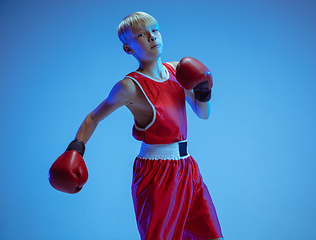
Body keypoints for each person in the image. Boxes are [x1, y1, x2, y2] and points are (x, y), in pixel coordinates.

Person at [49, 11, 223, 240]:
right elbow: (94, 117)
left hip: (188, 168)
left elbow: (203, 115)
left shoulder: (178, 71)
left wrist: (203, 92)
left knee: (211, 235)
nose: (152, 37)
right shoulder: (129, 86)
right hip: (157, 173)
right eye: (141, 34)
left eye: (155, 30)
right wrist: (75, 149)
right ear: (128, 48)